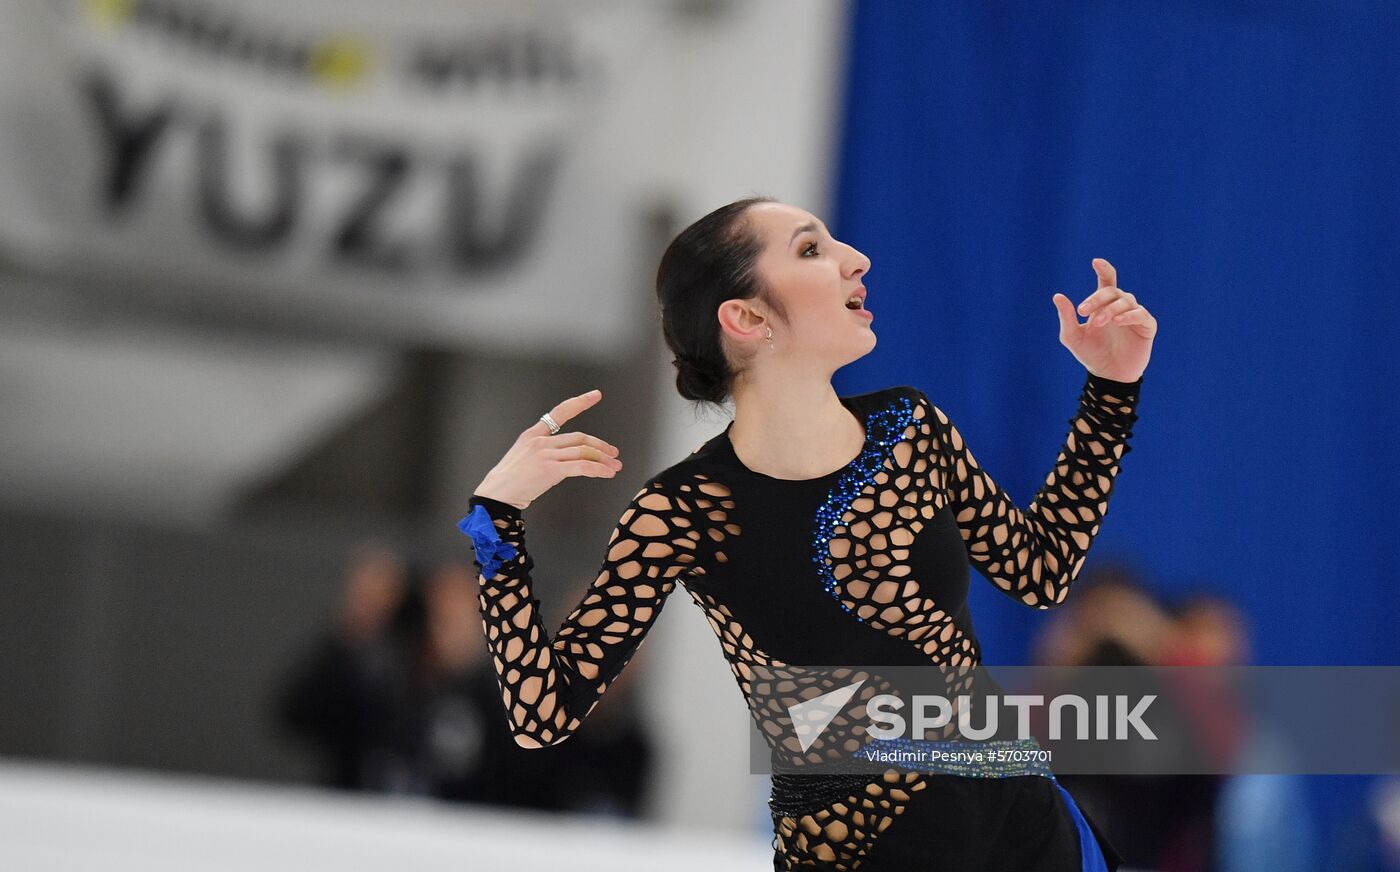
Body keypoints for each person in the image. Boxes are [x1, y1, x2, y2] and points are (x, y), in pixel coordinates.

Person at [457, 197, 1156, 870]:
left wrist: (1110, 390)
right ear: (747, 315)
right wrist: (495, 526)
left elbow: (1040, 570)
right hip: (861, 851)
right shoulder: (682, 511)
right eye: (812, 249)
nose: (856, 259)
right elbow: (541, 714)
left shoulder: (911, 429)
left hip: (1030, 832)